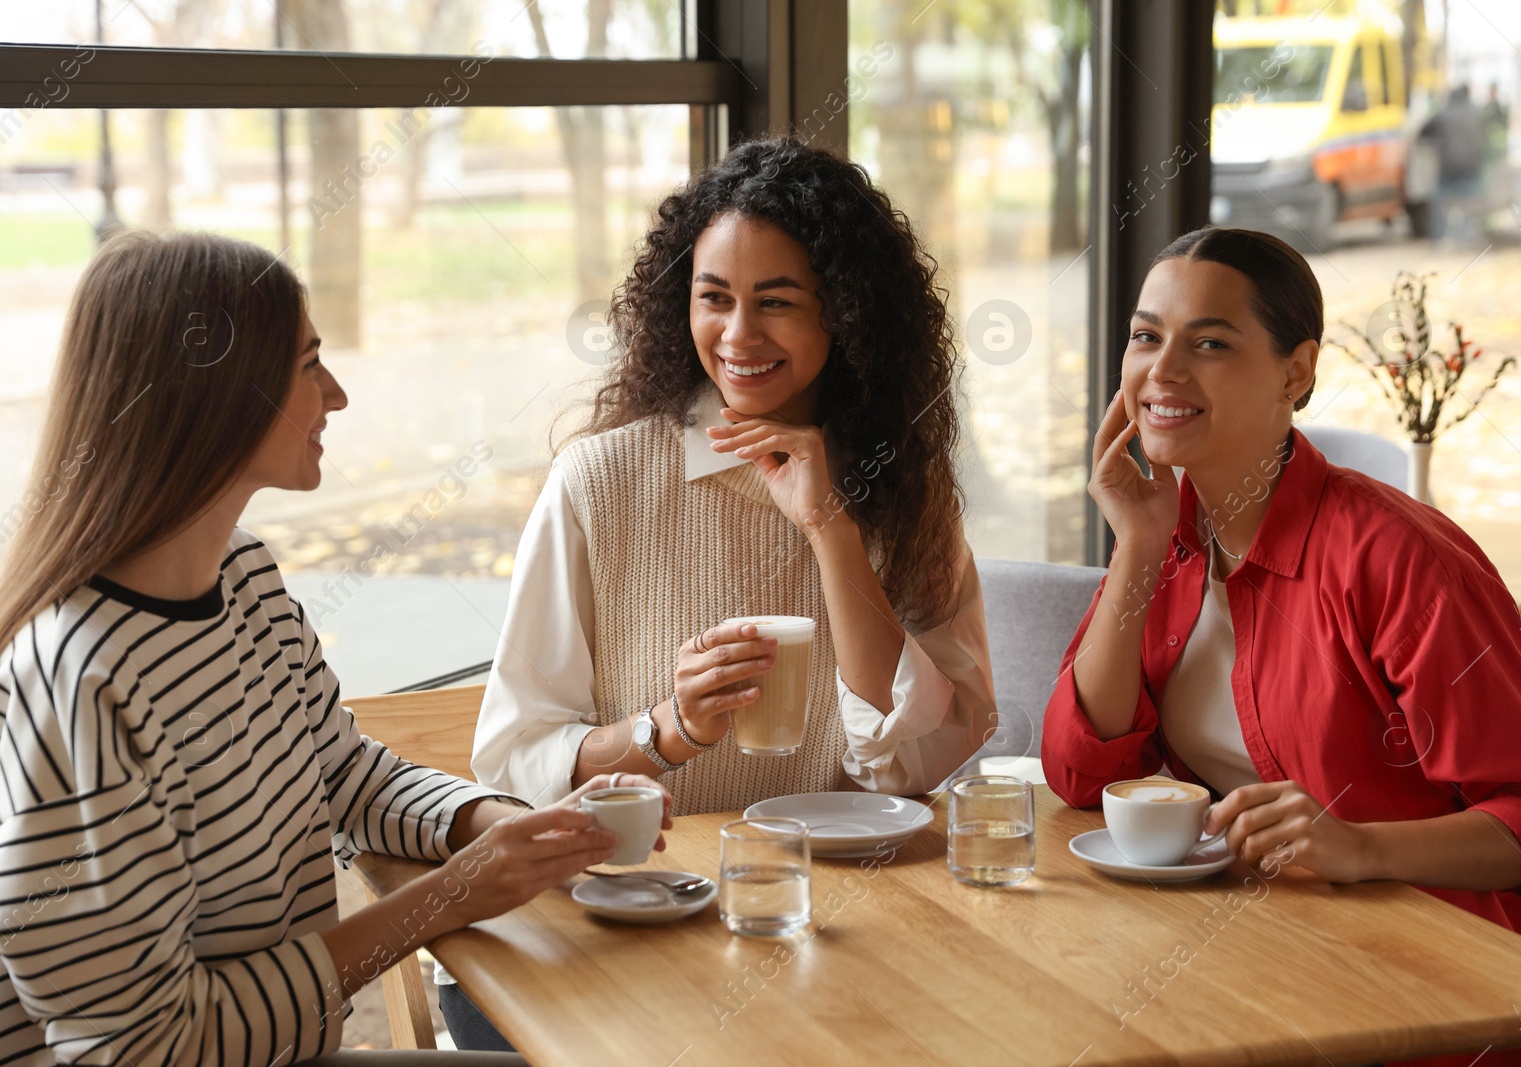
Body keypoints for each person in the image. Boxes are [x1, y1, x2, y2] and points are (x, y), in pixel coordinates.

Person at [0, 231, 671, 1066]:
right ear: (214, 393)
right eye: (308, 363)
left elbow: (344, 774)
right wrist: (448, 899)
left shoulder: (241, 573)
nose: (340, 395)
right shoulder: (79, 677)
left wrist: (527, 831)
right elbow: (139, 1047)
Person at [1040, 226, 1521, 1067]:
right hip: (1277, 967)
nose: (1163, 370)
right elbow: (1080, 772)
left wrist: (1359, 846)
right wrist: (1140, 548)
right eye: (1146, 336)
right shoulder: (1166, 534)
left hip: (1461, 1006)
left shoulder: (1398, 557)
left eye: (1211, 342)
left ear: (1297, 371)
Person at [472, 135, 994, 815]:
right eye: (714, 297)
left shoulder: (902, 486)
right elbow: (514, 761)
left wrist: (829, 526)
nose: (738, 335)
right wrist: (672, 728)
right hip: (653, 893)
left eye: (775, 302)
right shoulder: (597, 484)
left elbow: (921, 760)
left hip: (843, 893)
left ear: (845, 312)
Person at [1420, 84, 1490, 244]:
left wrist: (1434, 142)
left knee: (1439, 207)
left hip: (1447, 167)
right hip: (1471, 167)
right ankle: (1467, 238)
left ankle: (1438, 239)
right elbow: (1486, 137)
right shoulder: (1476, 113)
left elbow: (1423, 134)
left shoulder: (1443, 114)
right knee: (1471, 205)